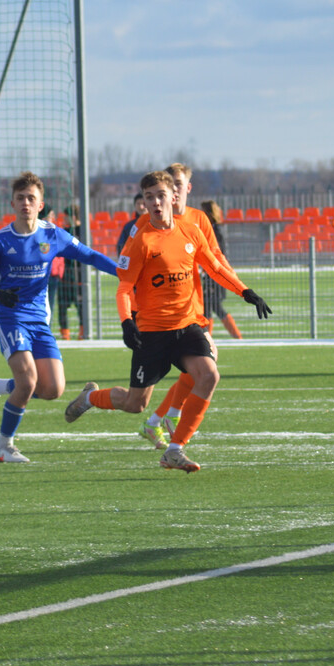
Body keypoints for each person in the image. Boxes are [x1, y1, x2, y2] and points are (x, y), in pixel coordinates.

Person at [62, 170, 271, 472]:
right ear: (144, 201)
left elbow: (214, 267)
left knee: (209, 375)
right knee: (136, 404)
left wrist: (245, 291)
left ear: (174, 197)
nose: (156, 203)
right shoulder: (141, 239)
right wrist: (126, 322)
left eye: (161, 196)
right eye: (149, 197)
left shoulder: (191, 232)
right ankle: (91, 397)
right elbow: (123, 287)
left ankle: (175, 450)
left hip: (187, 326)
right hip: (152, 332)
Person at [0, 172, 118, 462]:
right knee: (27, 382)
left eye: (31, 198)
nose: (26, 203)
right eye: (21, 198)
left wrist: (124, 274)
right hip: (10, 317)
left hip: (39, 320)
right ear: (12, 203)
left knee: (52, 389)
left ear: (40, 205)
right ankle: (4, 447)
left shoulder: (53, 235)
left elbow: (90, 256)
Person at [135, 162, 238, 451]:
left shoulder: (198, 220)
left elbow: (215, 257)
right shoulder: (147, 225)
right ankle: (163, 417)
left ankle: (161, 419)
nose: (176, 190)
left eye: (180, 184)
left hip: (194, 308)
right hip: (161, 318)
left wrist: (239, 286)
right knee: (141, 396)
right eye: (172, 185)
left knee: (201, 367)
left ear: (187, 188)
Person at [199, 201, 243, 339]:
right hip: (211, 275)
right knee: (213, 307)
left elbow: (217, 254)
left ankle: (212, 338)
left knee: (212, 307)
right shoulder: (214, 230)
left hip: (215, 276)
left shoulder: (215, 232)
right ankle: (234, 336)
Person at [57, 204, 86, 340]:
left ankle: (83, 331)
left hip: (79, 273)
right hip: (66, 274)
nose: (64, 219)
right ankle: (65, 333)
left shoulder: (83, 231)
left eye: (66, 216)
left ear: (73, 217)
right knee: (62, 305)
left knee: (81, 305)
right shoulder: (64, 232)